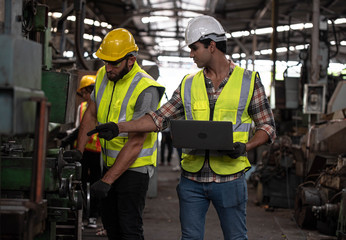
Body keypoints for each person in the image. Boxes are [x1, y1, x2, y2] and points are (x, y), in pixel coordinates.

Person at [87, 15, 276, 240]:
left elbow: (267, 126)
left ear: (212, 46)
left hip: (230, 179)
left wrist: (246, 146)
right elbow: (158, 119)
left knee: (236, 237)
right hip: (192, 181)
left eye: (194, 48)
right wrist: (119, 127)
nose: (191, 54)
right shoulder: (188, 83)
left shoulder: (248, 80)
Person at [63, 28, 165, 240]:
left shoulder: (147, 87)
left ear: (131, 60)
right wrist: (79, 151)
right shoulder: (102, 75)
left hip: (135, 169)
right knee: (111, 226)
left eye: (114, 63)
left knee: (129, 229)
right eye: (105, 62)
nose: (108, 68)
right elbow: (91, 113)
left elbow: (136, 142)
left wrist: (106, 181)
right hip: (108, 163)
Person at [61, 75, 102, 228]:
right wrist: (67, 135)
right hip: (83, 151)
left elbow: (82, 129)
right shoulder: (82, 107)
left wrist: (68, 139)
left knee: (97, 183)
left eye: (85, 92)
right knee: (81, 182)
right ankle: (84, 215)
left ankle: (93, 216)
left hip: (98, 152)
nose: (84, 96)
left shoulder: (100, 105)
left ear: (90, 91)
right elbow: (78, 127)